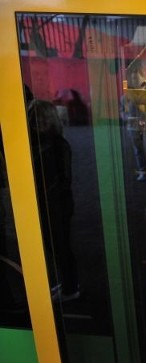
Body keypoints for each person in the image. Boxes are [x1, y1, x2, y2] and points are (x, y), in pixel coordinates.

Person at [27, 100, 79, 302]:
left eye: (43, 118)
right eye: (35, 118)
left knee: (61, 246)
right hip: (46, 203)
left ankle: (71, 287)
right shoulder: (35, 142)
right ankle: (67, 283)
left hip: (57, 205)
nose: (39, 121)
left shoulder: (58, 144)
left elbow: (64, 179)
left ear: (52, 120)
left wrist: (45, 195)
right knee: (52, 246)